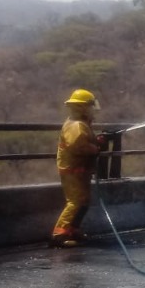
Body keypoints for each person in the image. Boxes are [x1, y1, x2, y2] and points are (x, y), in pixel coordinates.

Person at [52, 89, 105, 248]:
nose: (93, 110)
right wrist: (95, 148)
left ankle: (73, 230)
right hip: (72, 169)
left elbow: (83, 142)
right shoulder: (76, 125)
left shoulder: (80, 124)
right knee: (75, 202)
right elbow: (77, 146)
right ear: (83, 107)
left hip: (79, 169)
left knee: (83, 201)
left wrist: (97, 141)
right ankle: (59, 235)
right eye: (90, 106)